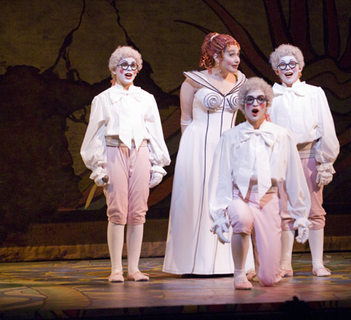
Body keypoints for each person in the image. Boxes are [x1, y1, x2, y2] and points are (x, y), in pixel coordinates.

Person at [163, 32, 253, 275]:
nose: (236, 60)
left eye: (238, 55)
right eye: (231, 55)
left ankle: (234, 263)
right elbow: (185, 120)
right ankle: (193, 263)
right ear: (215, 55)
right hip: (199, 146)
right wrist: (188, 155)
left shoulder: (242, 82)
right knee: (198, 199)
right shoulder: (192, 82)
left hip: (229, 147)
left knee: (229, 198)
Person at [208, 77, 311, 289]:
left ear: (267, 104)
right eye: (250, 100)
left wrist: (300, 214)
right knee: (242, 220)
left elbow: (293, 176)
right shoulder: (231, 136)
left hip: (268, 198)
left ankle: (265, 271)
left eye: (260, 99)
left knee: (269, 279)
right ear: (242, 106)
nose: (255, 104)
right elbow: (222, 176)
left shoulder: (282, 135)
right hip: (240, 196)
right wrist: (219, 213)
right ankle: (239, 274)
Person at [81, 45, 170, 282]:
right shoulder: (103, 99)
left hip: (140, 152)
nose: (129, 69)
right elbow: (95, 134)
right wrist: (98, 167)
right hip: (113, 152)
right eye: (124, 65)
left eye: (133, 65)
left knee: (138, 211)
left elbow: (154, 131)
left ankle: (133, 268)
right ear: (114, 69)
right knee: (117, 211)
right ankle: (116, 269)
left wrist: (157, 164)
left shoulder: (145, 98)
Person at [268, 44, 340, 277]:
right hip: (282, 159)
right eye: (282, 65)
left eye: (292, 64)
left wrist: (325, 161)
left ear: (300, 68)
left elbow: (325, 126)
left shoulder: (314, 93)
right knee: (285, 211)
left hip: (308, 156)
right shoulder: (270, 95)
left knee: (314, 210)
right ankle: (285, 263)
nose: (288, 69)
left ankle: (317, 263)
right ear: (276, 70)